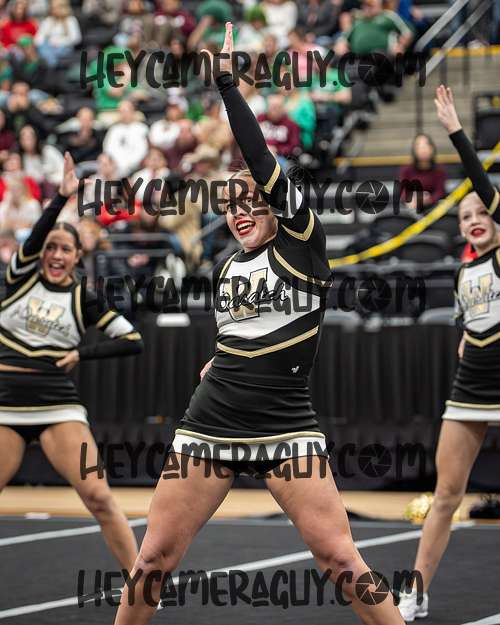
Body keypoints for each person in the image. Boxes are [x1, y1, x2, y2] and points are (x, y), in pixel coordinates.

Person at [113, 22, 405, 625]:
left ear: (277, 205)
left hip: (285, 424)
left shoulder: (302, 242)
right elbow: (240, 333)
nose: (240, 213)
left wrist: (226, 86)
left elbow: (260, 159)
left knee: (339, 557)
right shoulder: (228, 265)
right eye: (230, 206)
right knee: (155, 557)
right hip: (212, 422)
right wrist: (218, 360)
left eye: (251, 202)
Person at [0, 153, 143, 573]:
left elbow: (132, 340)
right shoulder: (17, 280)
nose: (57, 255)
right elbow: (33, 240)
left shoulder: (85, 299)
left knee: (98, 497)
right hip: (5, 402)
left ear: (78, 256)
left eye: (66, 249)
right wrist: (60, 199)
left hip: (56, 403)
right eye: (51, 248)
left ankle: (142, 585)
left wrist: (82, 353)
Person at [398, 85, 500, 621]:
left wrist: (457, 133)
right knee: (445, 495)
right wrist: (465, 340)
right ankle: (416, 591)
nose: (474, 218)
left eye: (483, 211)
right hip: (471, 389)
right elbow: (469, 326)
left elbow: (482, 182)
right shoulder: (463, 272)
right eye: (465, 217)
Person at [399, 134, 447, 212]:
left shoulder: (439, 170)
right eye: (419, 147)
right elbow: (403, 191)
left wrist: (429, 199)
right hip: (411, 208)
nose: (423, 150)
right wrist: (410, 200)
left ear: (432, 149)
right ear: (414, 150)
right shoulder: (406, 170)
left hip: (433, 208)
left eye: (426, 146)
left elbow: (440, 191)